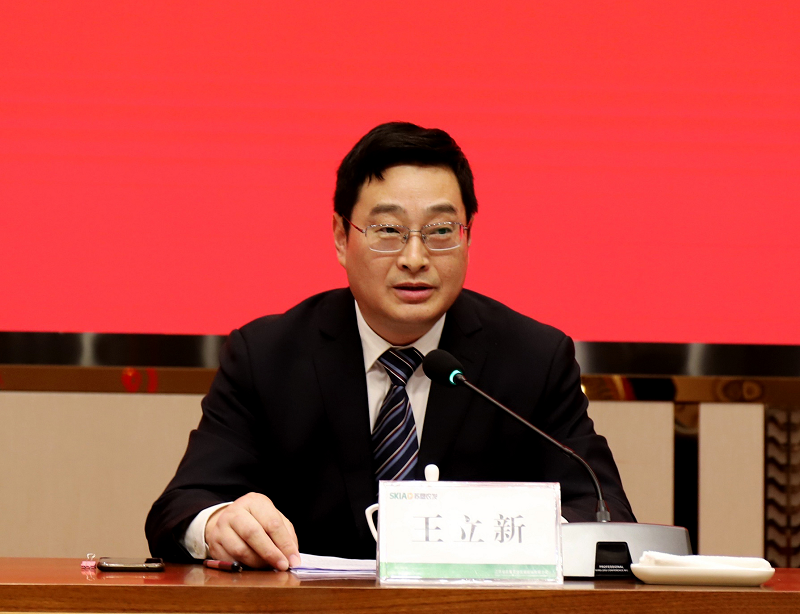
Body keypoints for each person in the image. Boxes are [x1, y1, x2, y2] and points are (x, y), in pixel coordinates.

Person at [145, 122, 634, 569]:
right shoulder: (267, 356)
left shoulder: (533, 358)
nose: (415, 258)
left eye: (440, 231)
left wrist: (524, 536)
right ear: (342, 237)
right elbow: (182, 507)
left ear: (468, 238)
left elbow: (603, 511)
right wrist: (217, 523)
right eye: (388, 231)